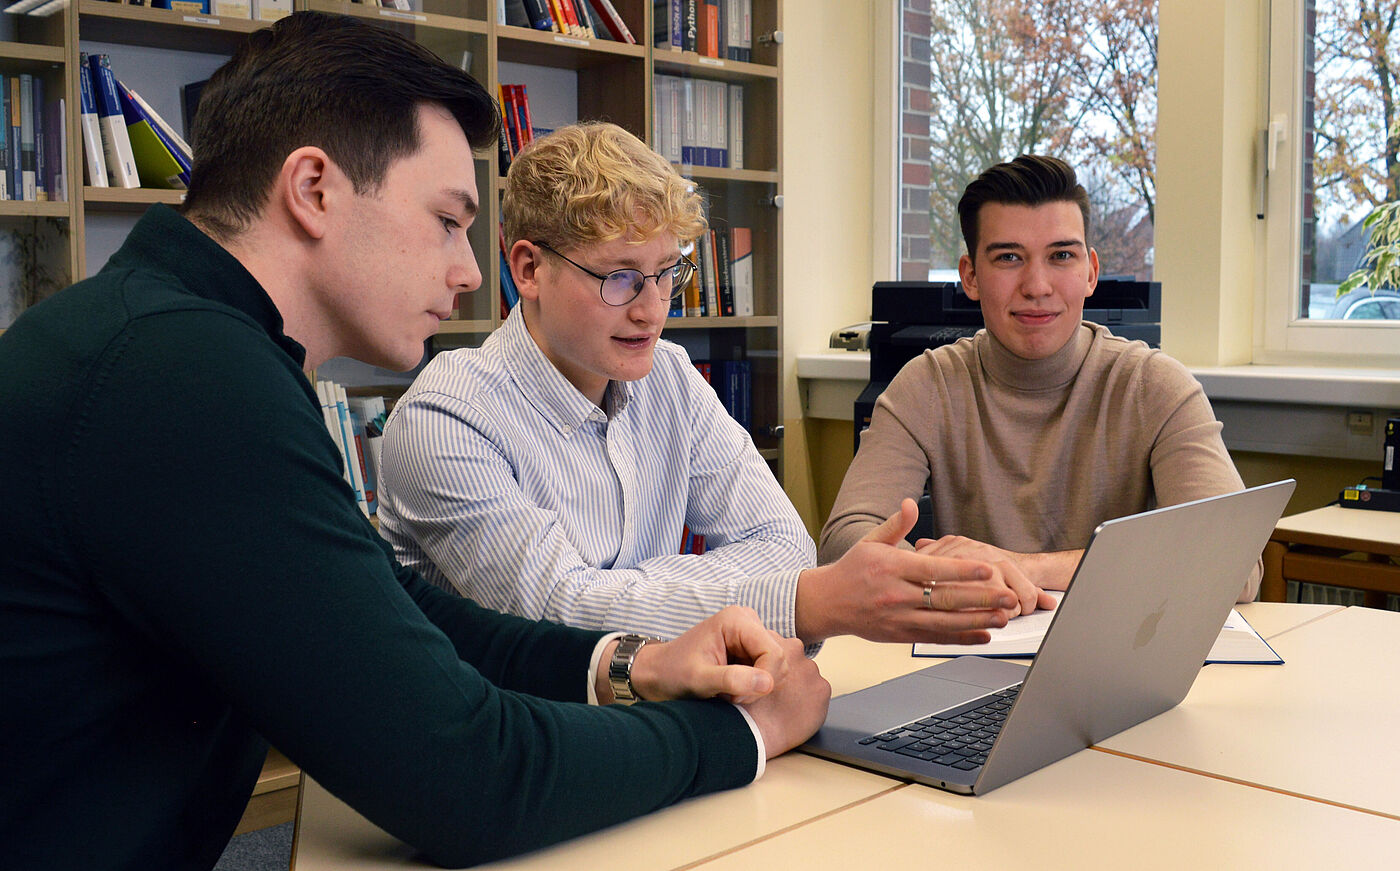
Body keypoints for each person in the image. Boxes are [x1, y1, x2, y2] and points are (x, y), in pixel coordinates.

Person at [0, 14, 838, 870]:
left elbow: (395, 609)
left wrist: (633, 661)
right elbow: (465, 780)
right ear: (314, 190)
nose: (470, 271)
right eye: (446, 220)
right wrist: (739, 734)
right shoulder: (183, 374)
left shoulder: (170, 336)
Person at [375, 121, 1033, 650]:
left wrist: (621, 592)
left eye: (667, 272)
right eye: (620, 277)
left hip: (647, 711)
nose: (652, 309)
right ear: (528, 269)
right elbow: (556, 618)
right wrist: (794, 600)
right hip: (501, 744)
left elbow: (785, 546)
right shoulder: (447, 418)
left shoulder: (669, 376)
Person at [820, 154, 1262, 604]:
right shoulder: (928, 385)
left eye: (1061, 256)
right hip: (970, 636)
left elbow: (1236, 564)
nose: (1036, 285)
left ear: (1090, 272)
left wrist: (1022, 567)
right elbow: (843, 543)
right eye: (1009, 257)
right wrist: (960, 578)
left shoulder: (1155, 387)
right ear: (970, 277)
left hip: (1115, 640)